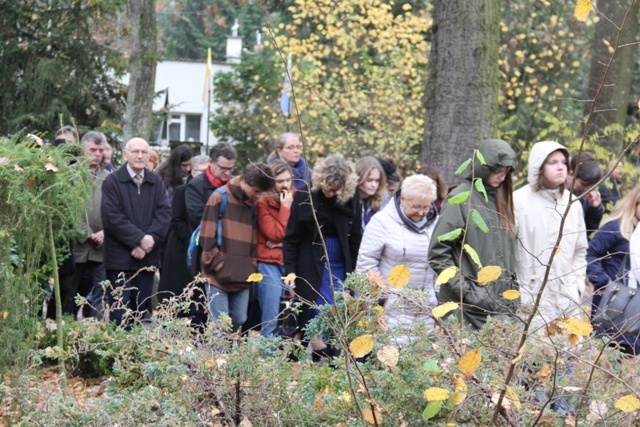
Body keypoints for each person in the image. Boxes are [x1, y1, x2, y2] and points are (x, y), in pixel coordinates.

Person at [428, 139, 519, 330]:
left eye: (506, 172)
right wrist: (470, 293)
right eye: (497, 171)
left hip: (501, 312)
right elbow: (438, 254)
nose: (502, 177)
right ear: (484, 168)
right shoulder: (461, 199)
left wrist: (512, 295)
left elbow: (507, 258)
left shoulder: (502, 201)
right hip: (464, 313)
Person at [283, 155, 362, 351]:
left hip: (340, 263)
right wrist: (291, 270)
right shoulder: (305, 196)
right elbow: (291, 238)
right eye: (327, 187)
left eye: (335, 189)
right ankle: (317, 349)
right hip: (311, 261)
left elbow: (356, 237)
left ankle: (331, 355)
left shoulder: (351, 199)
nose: (329, 192)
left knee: (337, 308)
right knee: (314, 307)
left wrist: (354, 273)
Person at [356, 174, 439, 345]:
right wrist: (381, 298)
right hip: (392, 309)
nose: (422, 212)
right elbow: (367, 263)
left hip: (427, 309)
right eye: (416, 206)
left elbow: (442, 263)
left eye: (426, 207)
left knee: (424, 361)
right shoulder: (382, 222)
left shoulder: (437, 224)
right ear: (402, 199)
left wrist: (438, 295)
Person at [515, 141, 588, 329]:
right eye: (553, 162)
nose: (560, 167)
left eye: (564, 162)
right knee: (531, 355)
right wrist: (519, 291)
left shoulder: (573, 203)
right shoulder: (518, 201)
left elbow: (580, 251)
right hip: (529, 298)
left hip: (566, 299)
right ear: (539, 166)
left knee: (565, 354)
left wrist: (576, 286)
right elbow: (507, 251)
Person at [101, 137, 171, 327]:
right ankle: (118, 355)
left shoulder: (155, 181)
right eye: (135, 152)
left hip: (146, 260)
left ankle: (137, 355)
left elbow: (164, 213)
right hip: (120, 260)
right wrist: (139, 239)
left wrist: (150, 241)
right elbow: (112, 217)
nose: (140, 156)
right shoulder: (112, 181)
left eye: (144, 152)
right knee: (120, 314)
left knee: (140, 313)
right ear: (125, 154)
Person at [200, 162, 275, 333]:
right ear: (245, 182)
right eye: (256, 192)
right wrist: (217, 264)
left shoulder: (253, 204)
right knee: (219, 324)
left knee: (240, 318)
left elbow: (254, 238)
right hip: (216, 274)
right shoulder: (220, 197)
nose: (258, 197)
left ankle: (226, 354)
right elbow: (206, 237)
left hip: (243, 276)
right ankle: (217, 358)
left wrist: (252, 265)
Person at [47, 131, 109, 319]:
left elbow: (115, 209)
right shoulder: (70, 175)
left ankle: (97, 333)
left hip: (102, 245)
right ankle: (63, 324)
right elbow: (65, 208)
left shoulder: (109, 177)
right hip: (76, 243)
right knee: (69, 289)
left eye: (100, 150)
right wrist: (86, 232)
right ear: (82, 150)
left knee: (100, 291)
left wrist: (106, 232)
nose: (97, 154)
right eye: (92, 149)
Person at [587, 185, 640, 355]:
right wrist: (601, 281)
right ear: (635, 204)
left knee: (630, 359)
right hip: (613, 304)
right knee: (607, 357)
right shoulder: (615, 228)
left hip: (636, 309)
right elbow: (590, 253)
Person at [255, 160, 294, 337]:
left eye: (288, 180)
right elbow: (275, 234)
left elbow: (300, 235)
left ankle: (283, 360)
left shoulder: (298, 199)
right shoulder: (263, 202)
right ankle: (266, 359)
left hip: (289, 263)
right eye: (280, 181)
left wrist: (283, 244)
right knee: (270, 316)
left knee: (288, 318)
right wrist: (285, 207)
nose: (285, 185)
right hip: (268, 263)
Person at [185, 142, 237, 230]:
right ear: (211, 162)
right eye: (223, 168)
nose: (227, 173)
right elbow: (198, 218)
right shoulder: (196, 186)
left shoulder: (235, 185)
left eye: (230, 169)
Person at [567, 151, 603, 238]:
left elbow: (585, 231)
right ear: (571, 175)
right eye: (583, 184)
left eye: (591, 186)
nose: (587, 190)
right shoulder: (554, 194)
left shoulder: (581, 198)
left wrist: (595, 209)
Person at [355, 156, 388, 229]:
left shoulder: (385, 201)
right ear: (359, 178)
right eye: (369, 180)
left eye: (377, 180)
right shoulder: (350, 201)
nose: (374, 185)